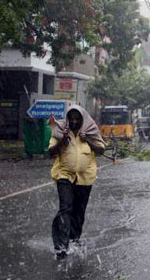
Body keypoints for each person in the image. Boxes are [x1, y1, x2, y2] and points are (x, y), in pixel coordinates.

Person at [47, 105, 106, 259]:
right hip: (64, 175)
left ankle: (74, 239)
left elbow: (101, 150)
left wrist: (88, 141)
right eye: (71, 119)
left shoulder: (91, 131)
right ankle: (61, 245)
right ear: (67, 119)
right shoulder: (60, 131)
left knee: (79, 212)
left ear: (82, 120)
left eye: (77, 119)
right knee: (65, 208)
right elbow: (50, 152)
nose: (74, 122)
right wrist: (62, 142)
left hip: (85, 177)